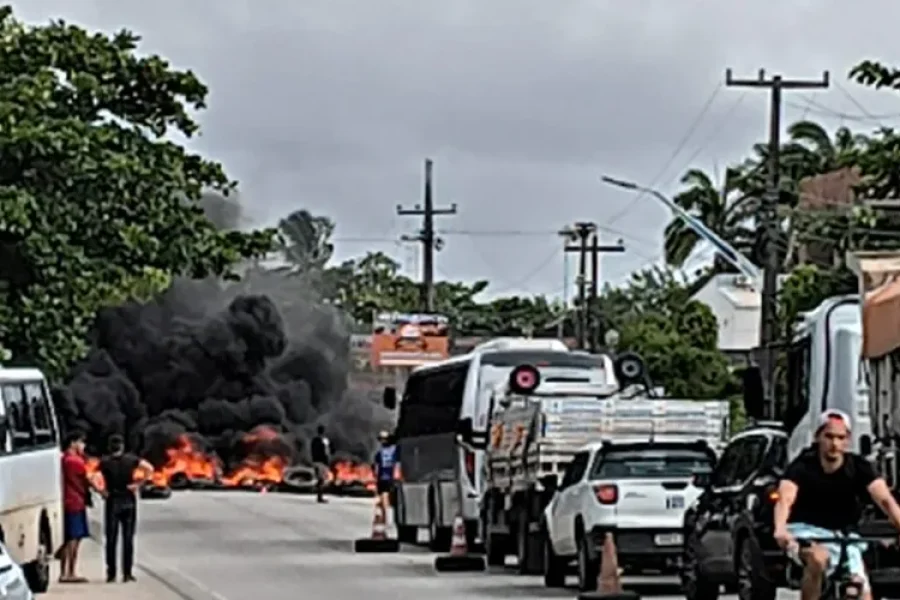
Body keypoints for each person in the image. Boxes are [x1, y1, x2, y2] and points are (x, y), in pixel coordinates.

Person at [773, 409, 900, 600]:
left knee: (861, 589)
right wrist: (781, 529)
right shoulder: (802, 466)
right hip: (807, 533)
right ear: (818, 437)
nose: (835, 444)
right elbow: (785, 498)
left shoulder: (858, 466)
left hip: (846, 537)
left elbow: (884, 499)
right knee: (817, 558)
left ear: (848, 439)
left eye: (841, 438)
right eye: (829, 437)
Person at [98, 433, 153, 583]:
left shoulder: (105, 462)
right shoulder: (131, 460)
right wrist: (138, 484)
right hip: (128, 500)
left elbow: (91, 475)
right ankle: (127, 573)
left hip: (112, 500)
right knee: (128, 539)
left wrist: (101, 490)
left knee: (111, 539)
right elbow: (149, 468)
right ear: (122, 446)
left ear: (110, 447)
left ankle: (111, 573)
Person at [60, 430, 96, 583]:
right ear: (73, 443)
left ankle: (64, 572)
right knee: (74, 538)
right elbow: (89, 479)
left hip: (67, 501)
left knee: (68, 538)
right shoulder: (75, 462)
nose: (83, 446)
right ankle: (70, 572)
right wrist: (103, 491)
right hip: (75, 502)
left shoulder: (63, 459)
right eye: (81, 442)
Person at [372, 430, 397, 515]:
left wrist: (375, 476)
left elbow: (376, 466)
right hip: (392, 477)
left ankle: (385, 513)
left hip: (384, 477)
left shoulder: (380, 452)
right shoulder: (395, 450)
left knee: (384, 495)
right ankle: (386, 512)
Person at [310, 425, 331, 503]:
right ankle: (320, 497)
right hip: (322, 462)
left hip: (315, 461)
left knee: (320, 478)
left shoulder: (314, 440)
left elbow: (312, 450)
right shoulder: (324, 440)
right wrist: (327, 461)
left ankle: (319, 495)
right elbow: (327, 451)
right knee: (321, 480)